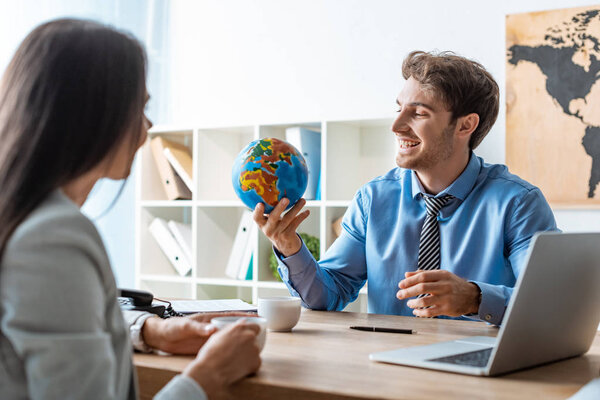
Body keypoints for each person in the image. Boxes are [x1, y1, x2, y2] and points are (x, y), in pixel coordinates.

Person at [0, 19, 261, 400]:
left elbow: (55, 313)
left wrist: (150, 330)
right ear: (93, 115)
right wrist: (209, 376)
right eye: (139, 107)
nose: (148, 126)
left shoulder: (23, 218)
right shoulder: (53, 236)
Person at [254, 51, 557, 326]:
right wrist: (289, 247)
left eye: (419, 113)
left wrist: (475, 298)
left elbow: (550, 302)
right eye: (399, 108)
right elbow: (327, 296)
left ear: (465, 126)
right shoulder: (373, 199)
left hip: (480, 369)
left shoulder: (518, 203)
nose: (396, 125)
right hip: (389, 366)